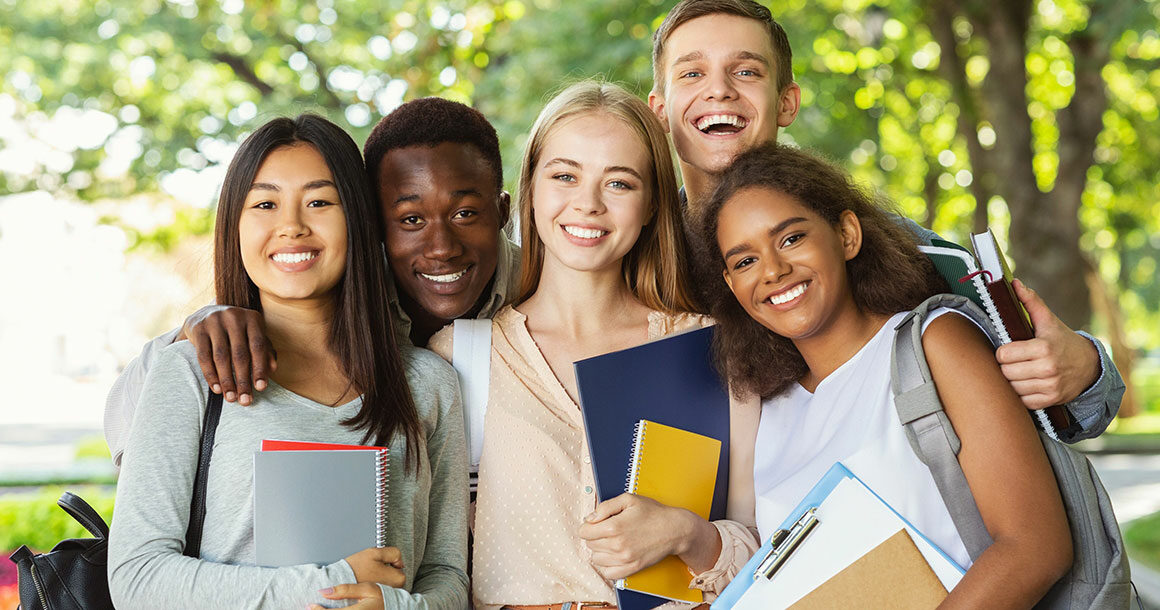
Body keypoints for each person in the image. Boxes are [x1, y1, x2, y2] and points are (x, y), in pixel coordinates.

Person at [645, 0, 1124, 442]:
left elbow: (1063, 411)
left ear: (787, 102)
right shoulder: (629, 261)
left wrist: (1082, 371)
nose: (719, 89)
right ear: (661, 111)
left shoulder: (912, 256)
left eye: (746, 70)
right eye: (691, 73)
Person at [106, 114, 468, 609]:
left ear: (358, 220)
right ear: (235, 222)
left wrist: (400, 606)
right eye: (265, 203)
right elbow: (137, 577)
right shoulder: (189, 372)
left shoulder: (429, 384)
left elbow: (447, 572)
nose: (292, 225)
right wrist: (333, 584)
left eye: (320, 202)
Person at [427, 80, 754, 608]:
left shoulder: (709, 349)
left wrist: (687, 535)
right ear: (531, 188)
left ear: (651, 204)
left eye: (620, 183)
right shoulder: (461, 358)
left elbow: (768, 553)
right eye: (565, 176)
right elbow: (431, 561)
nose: (588, 204)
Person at [701, 142, 1072, 605]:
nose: (773, 270)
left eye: (791, 238)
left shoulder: (935, 343)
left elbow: (1035, 548)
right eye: (745, 261)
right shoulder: (768, 411)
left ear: (847, 235)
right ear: (732, 285)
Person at [103, 98, 519, 467]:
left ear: (502, 211)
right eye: (410, 220)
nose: (442, 247)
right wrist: (192, 331)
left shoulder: (545, 289)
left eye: (465, 214)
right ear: (372, 223)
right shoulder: (326, 295)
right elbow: (126, 433)